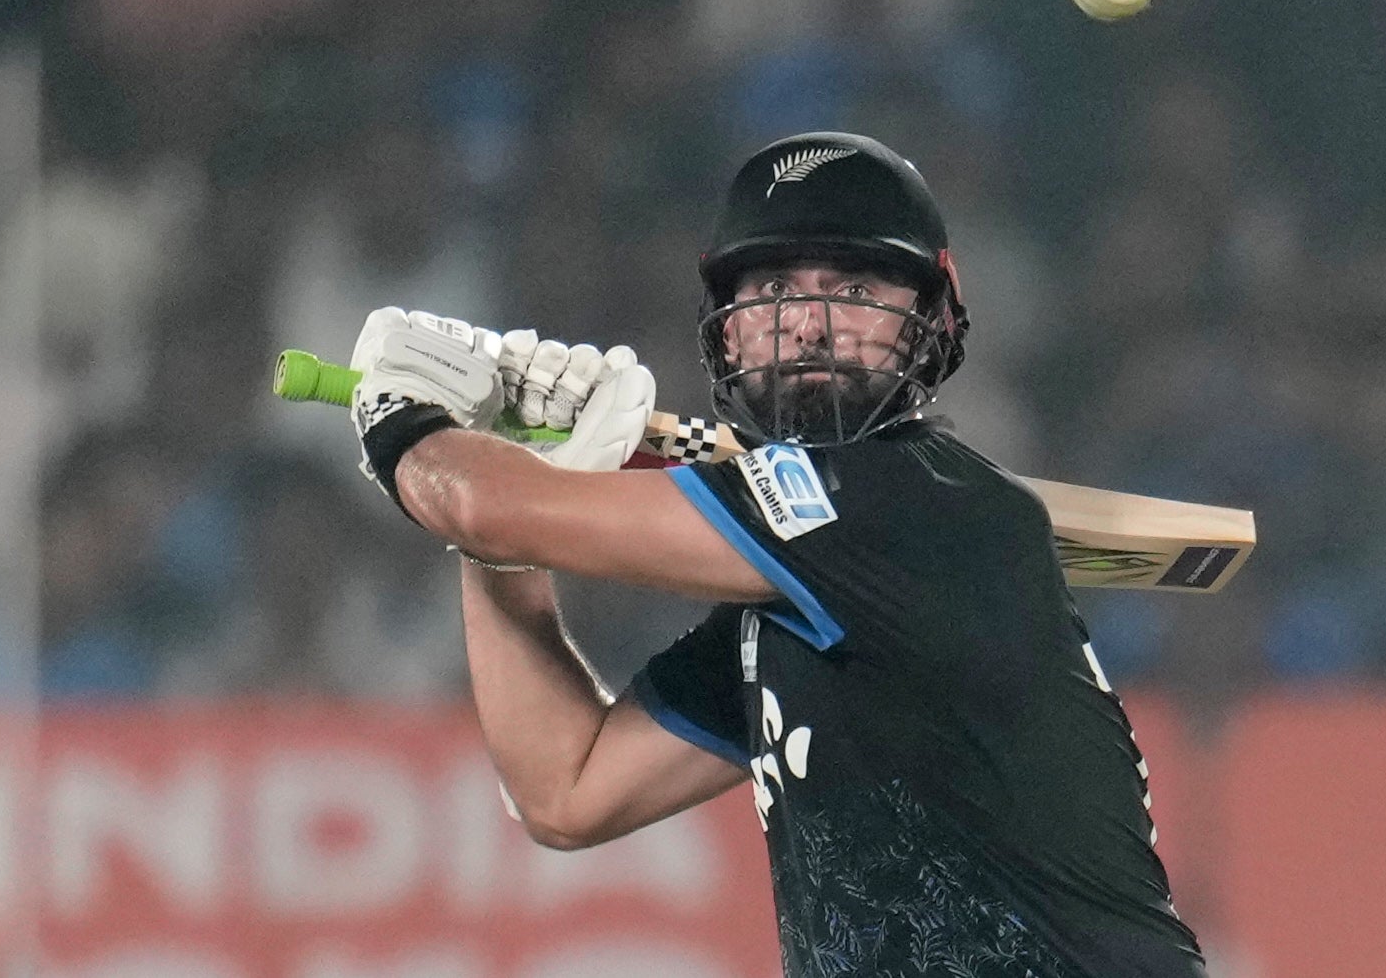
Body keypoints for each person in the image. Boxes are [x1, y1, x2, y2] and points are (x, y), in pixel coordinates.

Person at [344, 132, 1209, 977]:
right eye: (771, 290)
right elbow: (565, 789)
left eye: (855, 288)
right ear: (727, 331)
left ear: (930, 319)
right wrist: (503, 505)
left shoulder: (908, 504)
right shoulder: (819, 593)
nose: (807, 324)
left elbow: (486, 507)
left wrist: (406, 420)